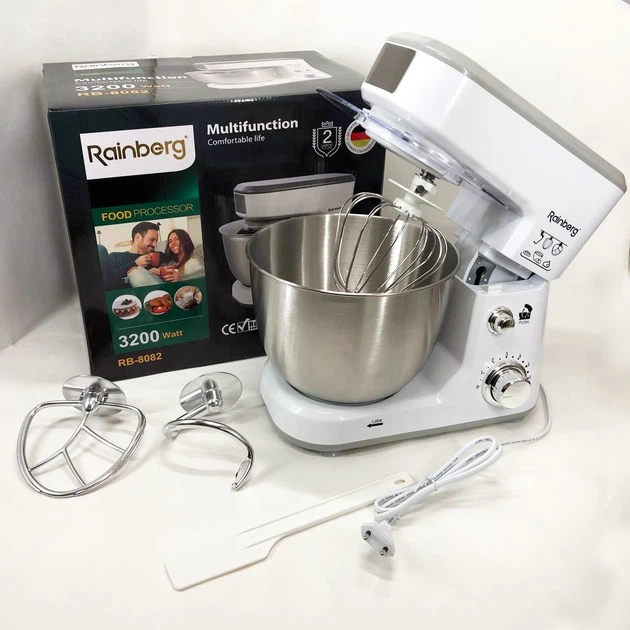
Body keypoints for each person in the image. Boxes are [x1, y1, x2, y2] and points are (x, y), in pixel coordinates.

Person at [102, 222, 162, 290]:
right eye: (152, 240)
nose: (155, 245)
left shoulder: (159, 256)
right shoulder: (115, 257)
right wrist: (135, 263)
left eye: (156, 241)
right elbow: (108, 280)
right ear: (137, 238)